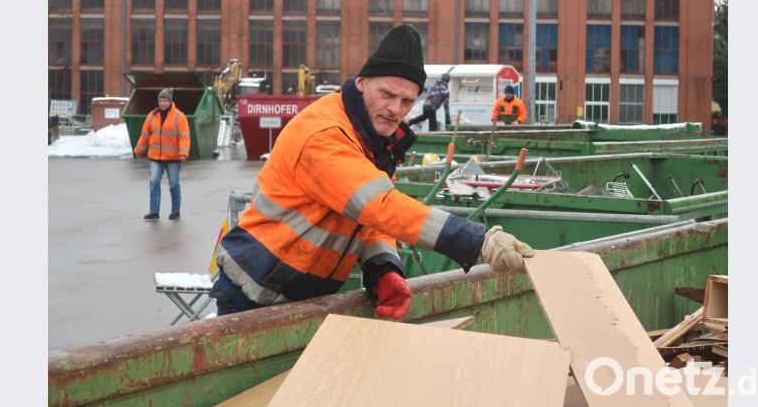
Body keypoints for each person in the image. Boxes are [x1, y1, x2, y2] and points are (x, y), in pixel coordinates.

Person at [209, 24, 534, 319]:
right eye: (387, 95)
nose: (396, 109)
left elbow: (372, 223)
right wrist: (479, 242)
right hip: (251, 290)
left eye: (407, 101)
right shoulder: (324, 134)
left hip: (298, 295)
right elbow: (377, 205)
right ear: (362, 83)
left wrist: (383, 269)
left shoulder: (375, 142)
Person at [133, 88, 190, 221]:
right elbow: (145, 135)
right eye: (160, 101)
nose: (162, 103)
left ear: (170, 101)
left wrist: (183, 152)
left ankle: (175, 211)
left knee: (174, 184)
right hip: (155, 157)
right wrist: (139, 150)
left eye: (164, 101)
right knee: (154, 182)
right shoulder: (152, 116)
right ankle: (154, 211)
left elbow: (184, 137)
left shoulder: (179, 116)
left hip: (173, 158)